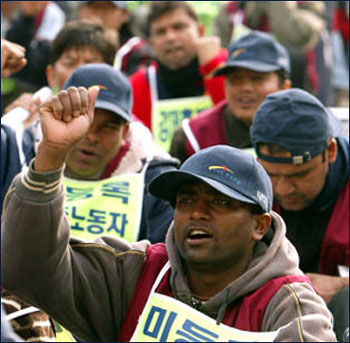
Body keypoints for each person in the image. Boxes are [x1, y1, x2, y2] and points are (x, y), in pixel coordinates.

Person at [0, 81, 336, 341]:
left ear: (259, 225)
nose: (197, 213)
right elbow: (26, 267)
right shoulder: (135, 272)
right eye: (186, 199)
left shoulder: (289, 306)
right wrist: (50, 158)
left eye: (219, 201)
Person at [250, 87, 349, 341]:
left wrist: (341, 287)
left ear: (330, 152)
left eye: (299, 175)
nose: (283, 189)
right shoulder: (245, 184)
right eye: (271, 175)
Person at [1, 20, 118, 208]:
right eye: (69, 62)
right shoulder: (17, 125)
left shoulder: (138, 143)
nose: (79, 72)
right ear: (51, 74)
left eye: (90, 64)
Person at [170, 31, 291, 163]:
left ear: (284, 87)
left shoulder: (303, 129)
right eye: (235, 79)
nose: (245, 88)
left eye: (257, 78)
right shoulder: (193, 137)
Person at [129, 1, 228, 151]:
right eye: (161, 32)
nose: (170, 37)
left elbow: (239, 121)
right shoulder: (138, 86)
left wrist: (212, 68)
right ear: (151, 43)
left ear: (200, 31)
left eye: (179, 27)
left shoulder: (228, 68)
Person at [77, 0, 153, 76]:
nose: (99, 15)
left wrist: (111, 50)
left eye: (106, 8)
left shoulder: (137, 50)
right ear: (80, 11)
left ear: (124, 14)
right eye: (94, 7)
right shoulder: (68, 43)